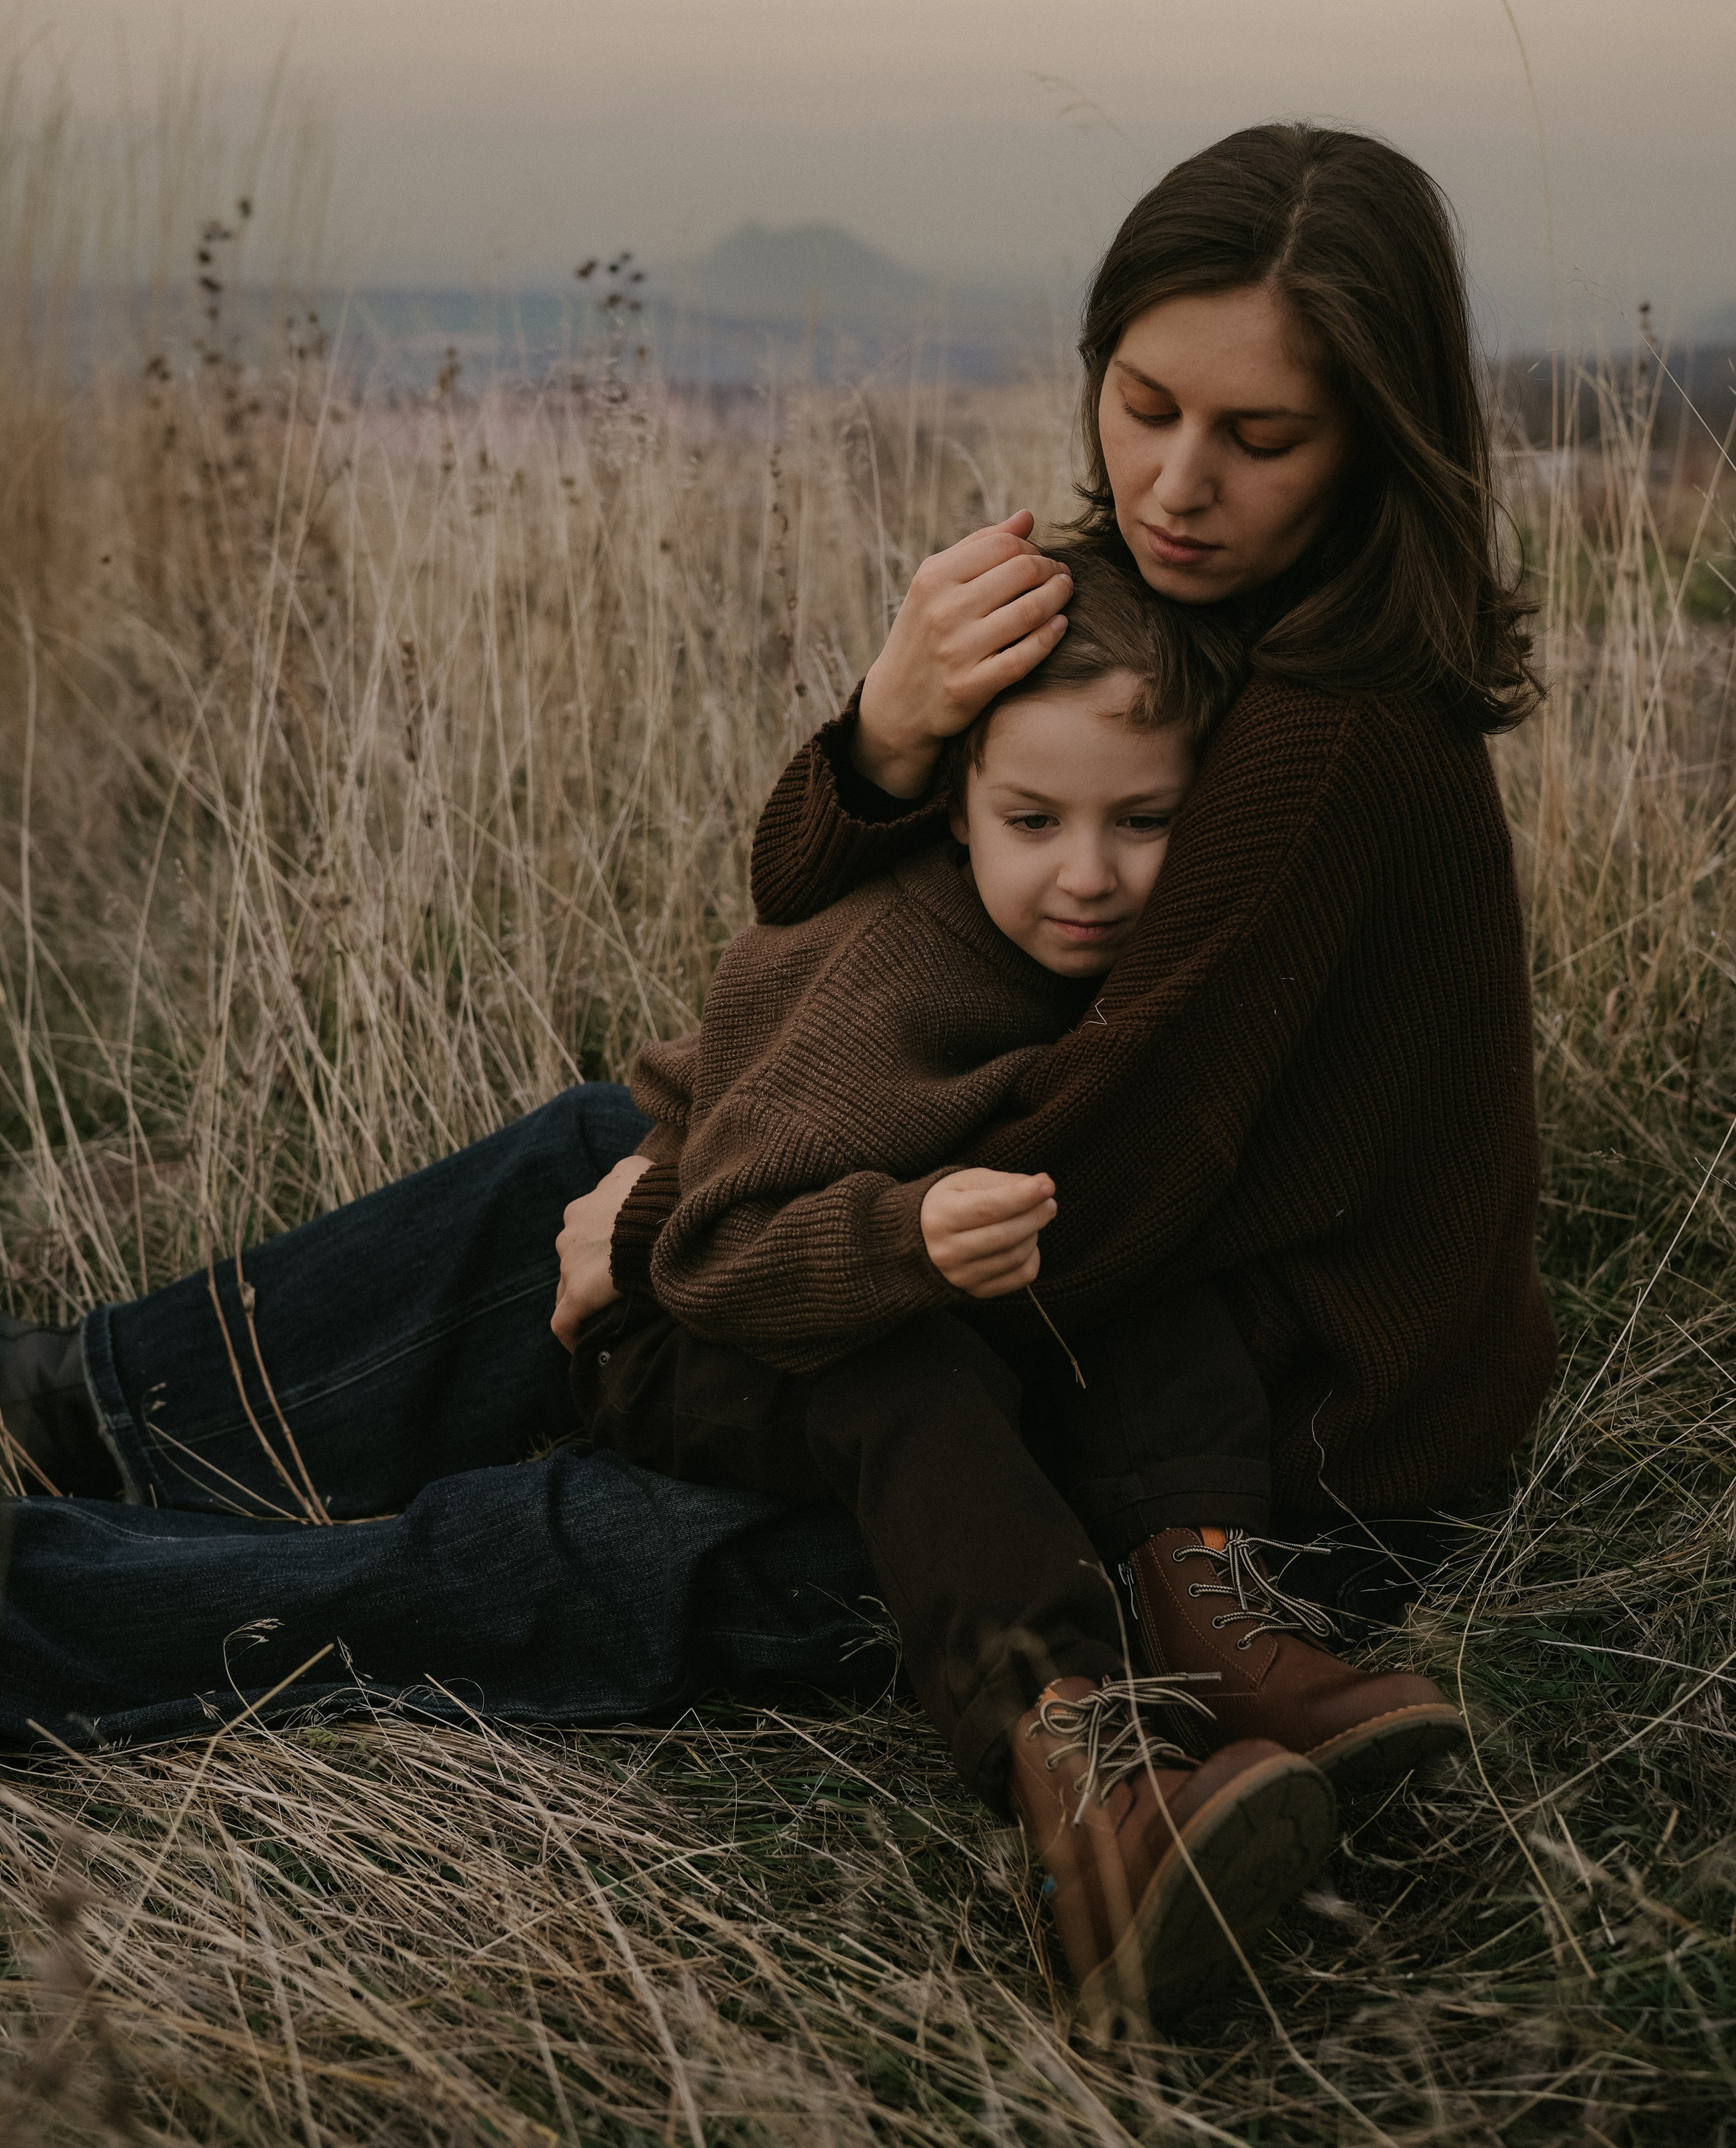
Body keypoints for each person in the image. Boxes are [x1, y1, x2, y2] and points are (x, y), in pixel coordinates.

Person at [0, 118, 1553, 2029]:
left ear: (1381, 434)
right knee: (603, 1140)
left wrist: (675, 1225)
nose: (1174, 481)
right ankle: (90, 1408)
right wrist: (893, 730)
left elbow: (1100, 1183)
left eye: (1259, 437)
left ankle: (37, 1600)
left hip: (1253, 1454)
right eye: (1144, 406)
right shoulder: (1190, 627)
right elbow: (862, 909)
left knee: (609, 1532)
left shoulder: (1326, 746)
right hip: (1090, 1314)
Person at [570, 551, 1465, 2027]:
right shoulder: (892, 969)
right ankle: (1080, 1793)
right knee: (906, 1383)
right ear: (959, 804)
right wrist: (898, 1242)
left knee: (1136, 1264)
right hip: (692, 1320)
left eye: (1146, 821)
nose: (1090, 873)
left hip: (899, 1255)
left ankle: (1210, 1616)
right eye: (1031, 821)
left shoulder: (1159, 956)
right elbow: (706, 1257)